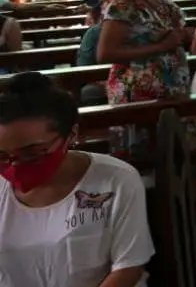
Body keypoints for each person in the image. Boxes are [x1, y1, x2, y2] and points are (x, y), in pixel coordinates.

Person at [0, 73, 154, 285]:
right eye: (2, 156)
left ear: (71, 135)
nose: (14, 165)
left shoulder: (115, 180)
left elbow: (128, 268)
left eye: (32, 153)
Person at [96, 0, 192, 104]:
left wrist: (186, 34)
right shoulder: (122, 4)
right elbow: (105, 53)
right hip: (139, 88)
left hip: (172, 84)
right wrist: (160, 47)